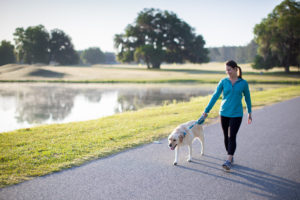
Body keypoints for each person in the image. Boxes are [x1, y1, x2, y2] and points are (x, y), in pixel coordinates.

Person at [202, 60, 252, 170]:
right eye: (226, 70)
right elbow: (215, 96)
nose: (227, 72)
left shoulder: (243, 83)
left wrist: (249, 112)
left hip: (237, 114)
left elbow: (247, 98)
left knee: (232, 136)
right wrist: (206, 110)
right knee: (226, 136)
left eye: (229, 69)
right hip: (224, 113)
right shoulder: (223, 81)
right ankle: (230, 154)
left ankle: (228, 160)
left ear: (235, 69)